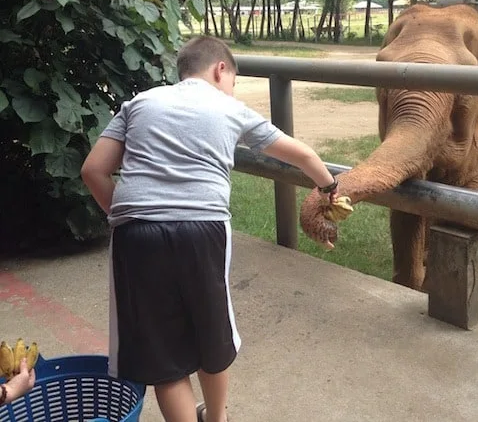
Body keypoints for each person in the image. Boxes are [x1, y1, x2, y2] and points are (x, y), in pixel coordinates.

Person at [80, 36, 339, 422]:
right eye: (233, 80)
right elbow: (301, 154)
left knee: (164, 357)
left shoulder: (140, 103)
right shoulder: (228, 106)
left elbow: (92, 170)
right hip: (203, 229)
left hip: (136, 235)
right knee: (211, 335)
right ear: (221, 69)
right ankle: (216, 418)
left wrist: (127, 214)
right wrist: (330, 188)